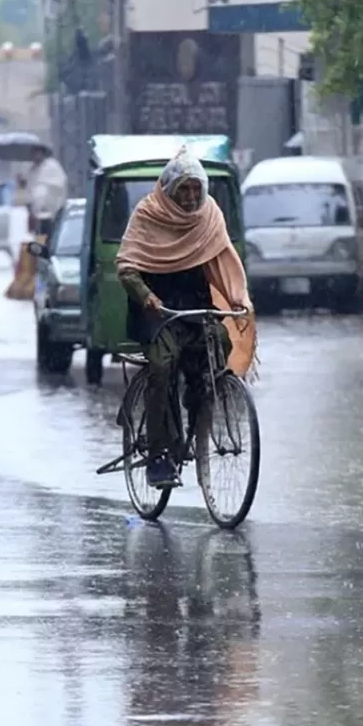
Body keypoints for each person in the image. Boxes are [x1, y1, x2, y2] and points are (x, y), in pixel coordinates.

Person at [115, 147, 255, 489]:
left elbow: (224, 260)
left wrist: (238, 299)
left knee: (217, 348)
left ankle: (198, 416)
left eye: (196, 189)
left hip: (194, 307)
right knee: (163, 366)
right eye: (184, 189)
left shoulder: (209, 215)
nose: (191, 197)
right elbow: (127, 266)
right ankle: (159, 453)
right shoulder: (148, 213)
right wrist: (146, 296)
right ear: (169, 189)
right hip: (157, 313)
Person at [21, 144, 67, 238]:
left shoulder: (51, 166)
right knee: (39, 239)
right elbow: (30, 189)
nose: (34, 155)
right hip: (37, 214)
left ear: (42, 153)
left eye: (37, 152)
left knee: (51, 237)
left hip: (51, 212)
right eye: (33, 153)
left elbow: (54, 186)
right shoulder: (32, 169)